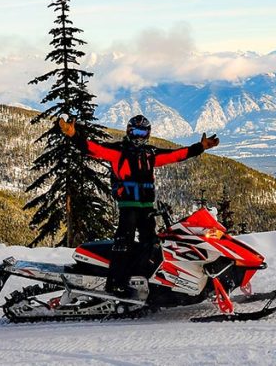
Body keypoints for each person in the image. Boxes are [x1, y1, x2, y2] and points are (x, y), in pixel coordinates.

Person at [58, 113, 219, 297]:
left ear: (147, 134)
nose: (138, 136)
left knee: (151, 244)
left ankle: (146, 279)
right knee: (124, 241)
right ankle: (115, 283)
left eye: (142, 133)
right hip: (128, 205)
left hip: (146, 206)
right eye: (135, 132)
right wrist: (73, 135)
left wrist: (201, 147)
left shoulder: (150, 154)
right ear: (129, 131)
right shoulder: (118, 151)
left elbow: (176, 155)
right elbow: (92, 149)